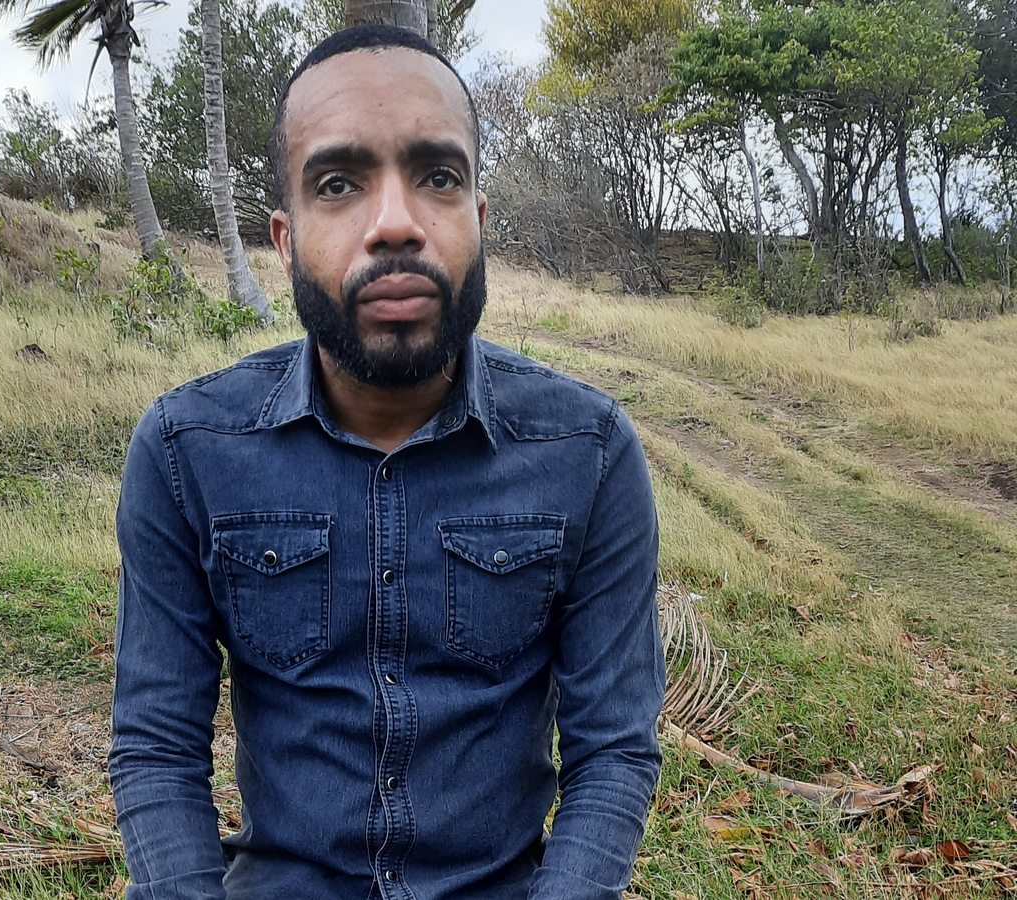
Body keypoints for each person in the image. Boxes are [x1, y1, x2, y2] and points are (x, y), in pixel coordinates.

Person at [109, 24, 665, 900]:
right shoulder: (188, 452)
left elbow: (616, 751)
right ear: (285, 240)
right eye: (339, 184)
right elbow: (155, 745)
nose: (396, 224)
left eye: (438, 176)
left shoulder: (588, 453)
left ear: (479, 221)